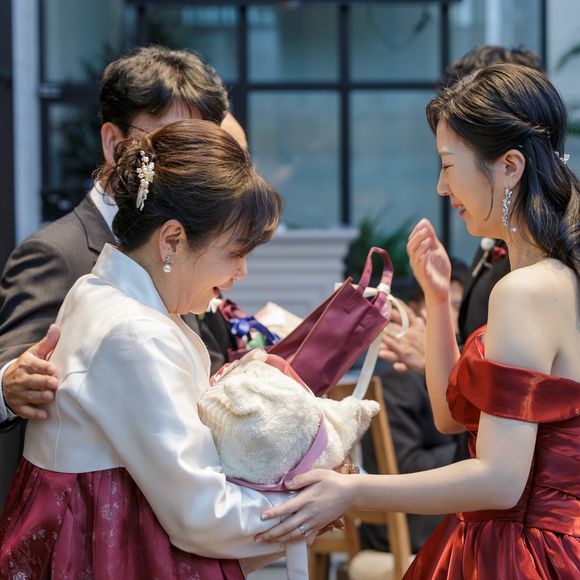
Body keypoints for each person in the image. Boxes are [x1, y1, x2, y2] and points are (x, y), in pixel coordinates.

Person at [256, 64, 580, 578]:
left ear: (510, 167)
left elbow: (500, 481)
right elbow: (451, 417)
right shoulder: (548, 279)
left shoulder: (527, 290)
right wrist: (436, 294)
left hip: (525, 552)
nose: (442, 186)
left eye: (449, 165)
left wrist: (354, 490)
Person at [0, 120, 290, 578]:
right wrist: (301, 506)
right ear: (172, 240)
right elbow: (199, 512)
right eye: (235, 252)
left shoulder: (100, 292)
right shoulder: (134, 331)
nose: (242, 271)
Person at [0, 46, 242, 431]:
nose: (190, 165)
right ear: (113, 142)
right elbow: (17, 364)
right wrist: (8, 385)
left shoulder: (190, 239)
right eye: (170, 143)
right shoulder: (55, 253)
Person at [380, 45, 545, 373]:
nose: (442, 187)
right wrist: (437, 307)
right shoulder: (498, 242)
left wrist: (433, 352)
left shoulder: (528, 283)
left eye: (449, 164)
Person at [360, 259, 470, 556]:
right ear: (415, 310)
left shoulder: (462, 369)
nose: (457, 318)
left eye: (461, 307)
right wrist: (475, 450)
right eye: (451, 306)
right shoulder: (398, 376)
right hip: (404, 523)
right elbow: (404, 467)